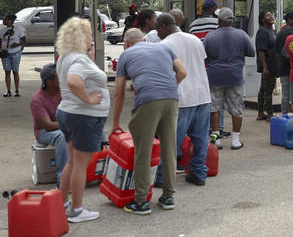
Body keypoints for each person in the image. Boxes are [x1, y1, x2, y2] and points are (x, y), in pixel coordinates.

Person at [112, 28, 185, 214]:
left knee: (143, 151)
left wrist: (115, 123)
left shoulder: (126, 54)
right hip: (171, 97)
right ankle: (168, 197)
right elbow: (182, 72)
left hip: (148, 101)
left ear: (126, 43)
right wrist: (167, 87)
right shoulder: (164, 48)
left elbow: (119, 92)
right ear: (144, 39)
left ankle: (141, 201)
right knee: (169, 148)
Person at [55, 17, 108, 223]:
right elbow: (73, 80)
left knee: (72, 161)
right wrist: (88, 98)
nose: (92, 39)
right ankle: (77, 210)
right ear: (79, 37)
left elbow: (82, 76)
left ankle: (63, 204)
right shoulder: (78, 59)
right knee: (81, 165)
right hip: (84, 116)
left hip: (68, 113)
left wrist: (90, 57)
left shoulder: (65, 57)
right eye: (89, 35)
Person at [155, 13, 212, 187]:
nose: (157, 34)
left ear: (163, 27)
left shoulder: (164, 45)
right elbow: (202, 63)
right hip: (202, 95)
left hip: (181, 97)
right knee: (201, 139)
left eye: (158, 30)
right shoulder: (195, 39)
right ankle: (199, 173)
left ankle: (161, 177)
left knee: (171, 140)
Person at [203, 7, 256, 150]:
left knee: (214, 107)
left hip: (214, 76)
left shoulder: (210, 36)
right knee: (237, 107)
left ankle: (216, 140)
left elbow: (203, 56)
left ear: (219, 20)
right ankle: (235, 141)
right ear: (232, 20)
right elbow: (251, 53)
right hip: (235, 76)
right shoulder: (242, 35)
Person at [30, 63, 69, 185]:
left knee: (96, 130)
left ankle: (95, 173)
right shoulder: (37, 99)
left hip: (64, 126)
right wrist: (71, 125)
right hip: (43, 132)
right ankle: (62, 179)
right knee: (62, 136)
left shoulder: (64, 93)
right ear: (49, 82)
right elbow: (48, 125)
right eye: (59, 77)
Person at [275, 12, 293, 115]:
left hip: (284, 67)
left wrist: (278, 67)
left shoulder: (280, 33)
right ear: (289, 20)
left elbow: (277, 53)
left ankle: (284, 114)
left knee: (285, 93)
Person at [255, 10, 277, 121]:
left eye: (271, 14)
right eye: (268, 16)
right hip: (268, 65)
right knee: (268, 90)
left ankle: (260, 112)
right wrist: (265, 67)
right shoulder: (262, 32)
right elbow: (261, 50)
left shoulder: (269, 31)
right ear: (263, 20)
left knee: (264, 89)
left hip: (271, 64)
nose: (271, 16)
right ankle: (269, 114)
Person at [0, 13, 26, 97]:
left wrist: (17, 45)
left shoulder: (18, 30)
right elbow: (0, 42)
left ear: (10, 21)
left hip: (15, 52)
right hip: (5, 53)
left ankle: (17, 91)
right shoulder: (2, 30)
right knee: (7, 71)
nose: (3, 21)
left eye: (5, 19)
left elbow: (24, 40)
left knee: (15, 71)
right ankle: (8, 91)